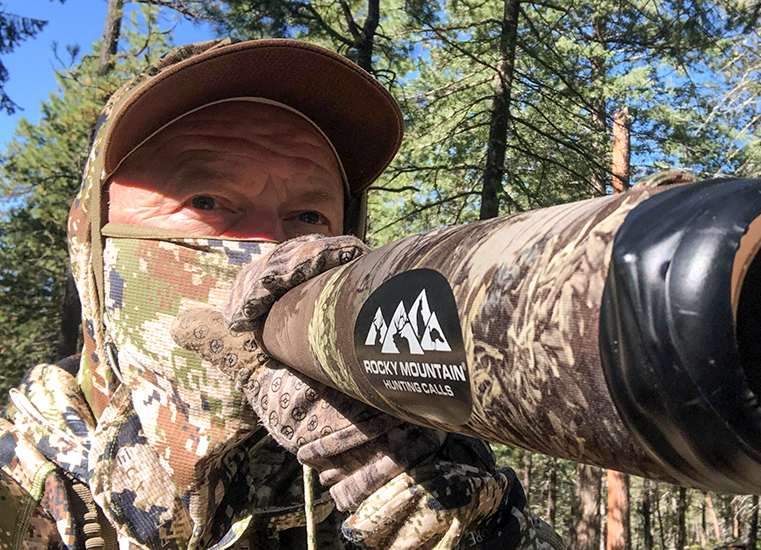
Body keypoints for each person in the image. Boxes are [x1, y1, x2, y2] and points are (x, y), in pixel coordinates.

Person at [0, 38, 562, 550]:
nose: (272, 250)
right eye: (206, 201)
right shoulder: (22, 491)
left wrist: (433, 513)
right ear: (92, 244)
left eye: (309, 216)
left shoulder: (399, 459)